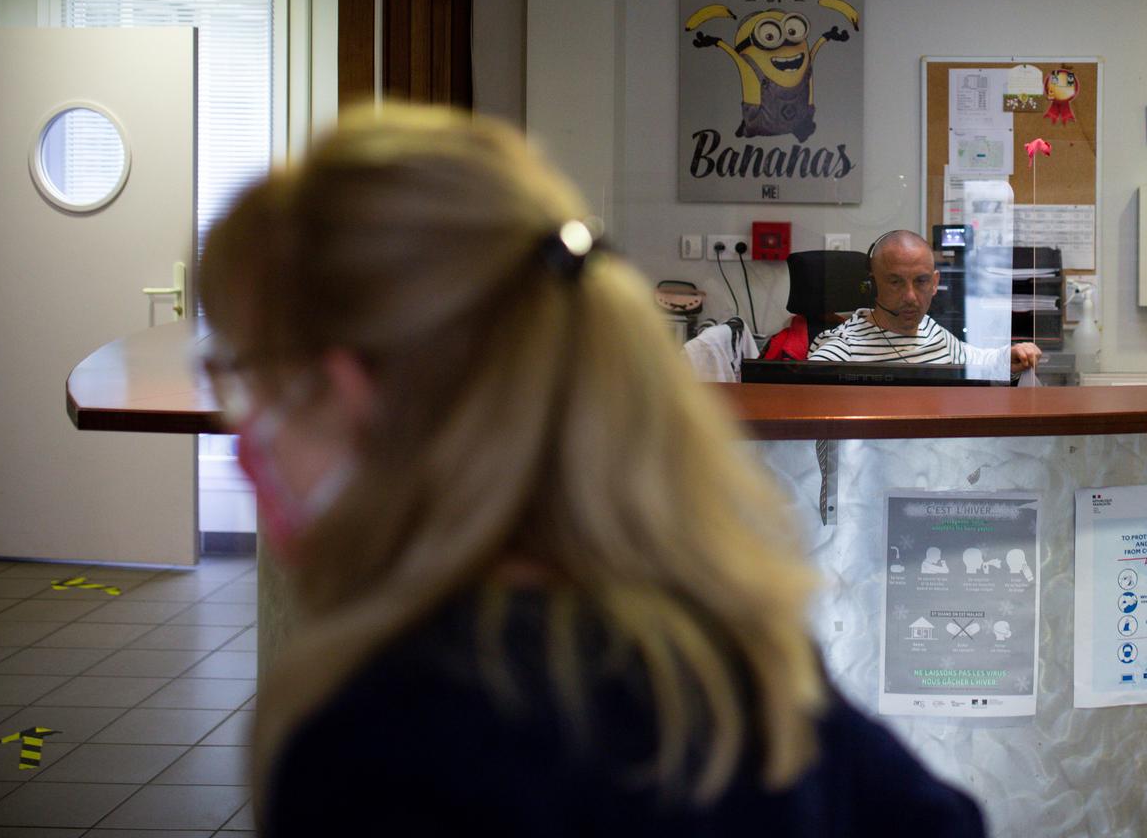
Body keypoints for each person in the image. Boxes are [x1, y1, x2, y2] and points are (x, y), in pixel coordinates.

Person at [198, 106, 984, 838]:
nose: (244, 436)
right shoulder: (729, 647)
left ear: (345, 393)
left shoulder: (374, 736)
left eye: (249, 377)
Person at [806, 231, 1042, 375]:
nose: (910, 297)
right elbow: (803, 395)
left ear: (934, 283)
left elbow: (975, 358)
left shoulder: (930, 329)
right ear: (873, 285)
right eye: (895, 282)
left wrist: (1010, 356)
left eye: (920, 281)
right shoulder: (843, 348)